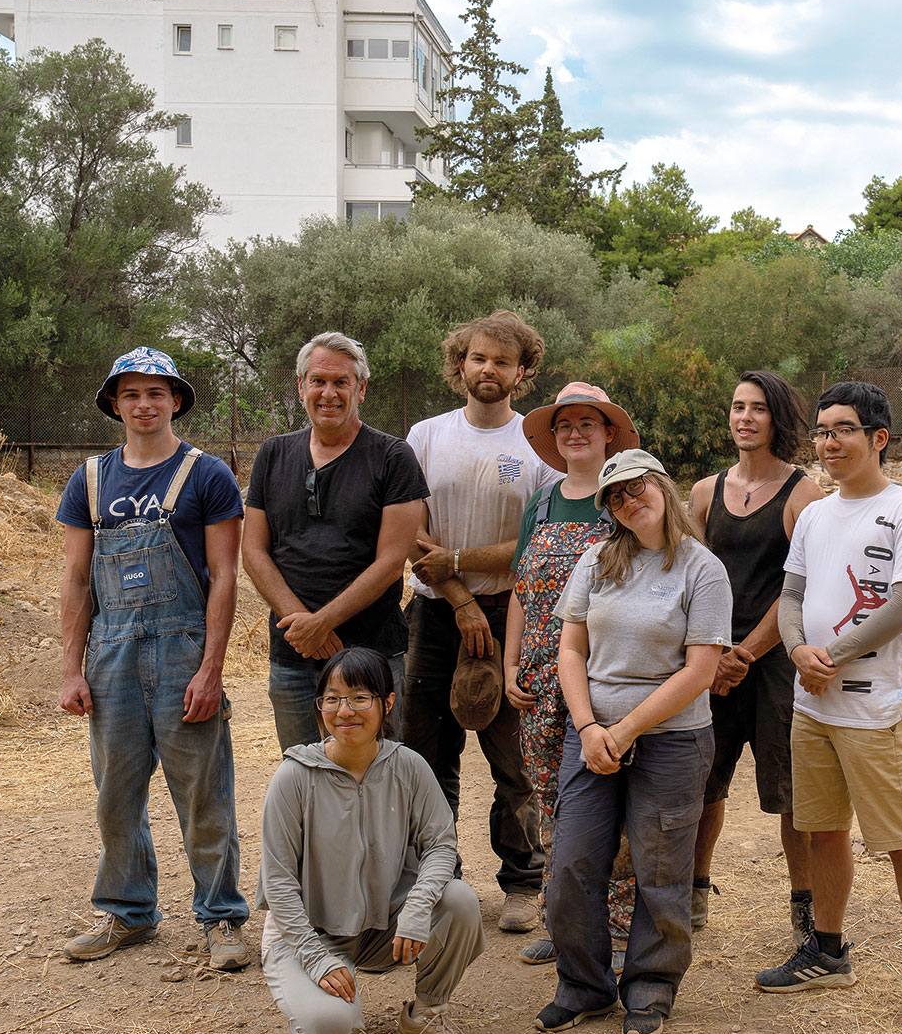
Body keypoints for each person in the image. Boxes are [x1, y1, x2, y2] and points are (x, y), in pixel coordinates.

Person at [754, 380, 902, 1030]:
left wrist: (829, 656)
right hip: (815, 708)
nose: (828, 442)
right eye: (822, 430)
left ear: (878, 438)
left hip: (875, 710)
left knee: (899, 841)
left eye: (842, 429)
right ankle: (828, 953)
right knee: (823, 832)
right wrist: (796, 648)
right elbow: (791, 596)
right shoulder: (814, 514)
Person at [55, 347, 252, 969]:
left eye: (157, 393)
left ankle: (221, 919)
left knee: (203, 793)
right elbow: (77, 581)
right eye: (132, 393)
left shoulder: (206, 475)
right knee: (115, 793)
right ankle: (127, 912)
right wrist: (70, 669)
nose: (145, 404)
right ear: (116, 404)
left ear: (176, 402)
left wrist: (210, 670)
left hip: (181, 648)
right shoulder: (89, 480)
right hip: (110, 652)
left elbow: (225, 576)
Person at [535, 450, 731, 1034]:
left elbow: (700, 672)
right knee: (572, 861)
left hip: (672, 739)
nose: (628, 500)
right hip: (591, 735)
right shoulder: (597, 562)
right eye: (614, 497)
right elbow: (572, 650)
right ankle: (584, 985)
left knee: (661, 865)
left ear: (663, 488)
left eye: (636, 487)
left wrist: (624, 731)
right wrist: (589, 727)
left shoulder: (702, 570)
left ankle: (650, 981)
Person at [400, 312, 557, 934]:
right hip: (436, 613)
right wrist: (459, 595)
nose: (487, 370)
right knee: (426, 752)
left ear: (523, 373)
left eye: (502, 362)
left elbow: (537, 539)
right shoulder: (425, 436)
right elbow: (407, 528)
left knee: (514, 758)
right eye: (477, 358)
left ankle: (521, 880)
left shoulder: (536, 446)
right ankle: (442, 880)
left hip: (509, 615)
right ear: (459, 364)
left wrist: (462, 566)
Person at [258, 647, 486, 1034]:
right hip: (310, 932)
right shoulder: (294, 776)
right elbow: (279, 881)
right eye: (332, 698)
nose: (345, 710)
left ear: (387, 702)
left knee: (459, 901)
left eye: (360, 697)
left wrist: (417, 908)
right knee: (326, 1033)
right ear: (319, 705)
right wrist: (315, 955)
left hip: (387, 924)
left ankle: (425, 1017)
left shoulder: (409, 767)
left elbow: (441, 843)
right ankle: (315, 1009)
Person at [503, 384, 640, 967]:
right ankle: (563, 922)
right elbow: (520, 590)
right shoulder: (540, 502)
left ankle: (619, 923)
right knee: (552, 800)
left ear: (610, 434)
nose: (576, 432)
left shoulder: (628, 499)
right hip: (539, 679)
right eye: (565, 425)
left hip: (606, 675)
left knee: (610, 797)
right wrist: (510, 663)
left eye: (589, 422)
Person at [242, 333, 429, 753]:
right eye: (318, 381)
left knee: (375, 780)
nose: (329, 393)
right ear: (300, 386)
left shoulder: (393, 458)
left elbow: (390, 561)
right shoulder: (273, 454)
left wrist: (322, 622)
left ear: (360, 389)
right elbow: (253, 551)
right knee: (304, 776)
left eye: (341, 382)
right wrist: (302, 624)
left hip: (371, 655)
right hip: (292, 657)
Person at [687, 371, 822, 940]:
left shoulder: (803, 494)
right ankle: (693, 894)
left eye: (758, 409)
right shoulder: (702, 493)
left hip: (773, 664)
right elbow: (687, 577)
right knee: (700, 784)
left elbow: (802, 587)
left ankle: (804, 908)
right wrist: (712, 653)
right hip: (709, 659)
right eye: (738, 407)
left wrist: (743, 652)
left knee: (790, 795)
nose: (745, 418)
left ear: (778, 419)